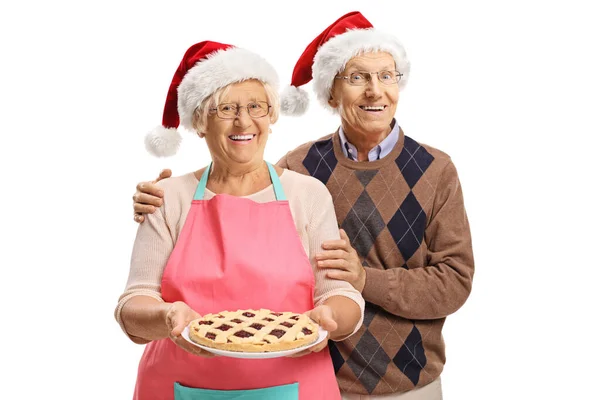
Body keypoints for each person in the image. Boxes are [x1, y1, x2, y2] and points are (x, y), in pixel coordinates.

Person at [132, 12, 474, 400]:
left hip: (404, 379)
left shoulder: (434, 170)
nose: (375, 91)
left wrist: (362, 282)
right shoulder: (301, 165)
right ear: (331, 91)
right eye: (357, 77)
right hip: (321, 375)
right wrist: (157, 201)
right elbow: (238, 194)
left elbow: (455, 281)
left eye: (387, 76)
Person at [115, 40, 365, 400]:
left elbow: (340, 293)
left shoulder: (307, 195)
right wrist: (167, 316)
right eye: (226, 108)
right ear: (200, 121)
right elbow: (133, 305)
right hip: (179, 387)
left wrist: (330, 319)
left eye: (255, 107)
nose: (244, 121)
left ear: (271, 116)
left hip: (295, 387)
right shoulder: (168, 197)